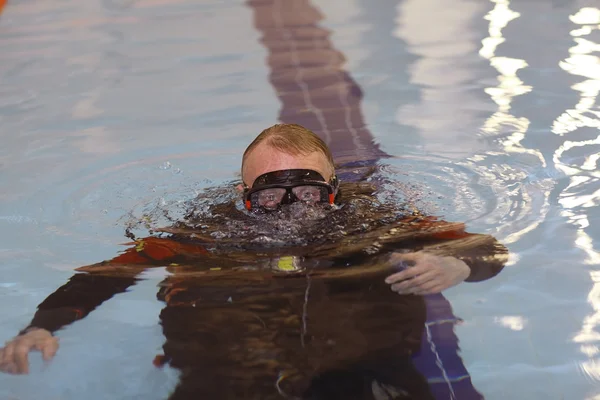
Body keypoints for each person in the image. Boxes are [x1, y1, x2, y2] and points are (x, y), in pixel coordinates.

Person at [0, 123, 507, 399]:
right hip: (230, 374)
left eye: (307, 191)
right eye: (269, 196)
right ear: (244, 195)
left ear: (333, 190)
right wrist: (42, 326)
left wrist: (459, 264)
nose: (289, 210)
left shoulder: (376, 217)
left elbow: (490, 248)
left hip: (361, 369)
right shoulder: (201, 230)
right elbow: (113, 272)